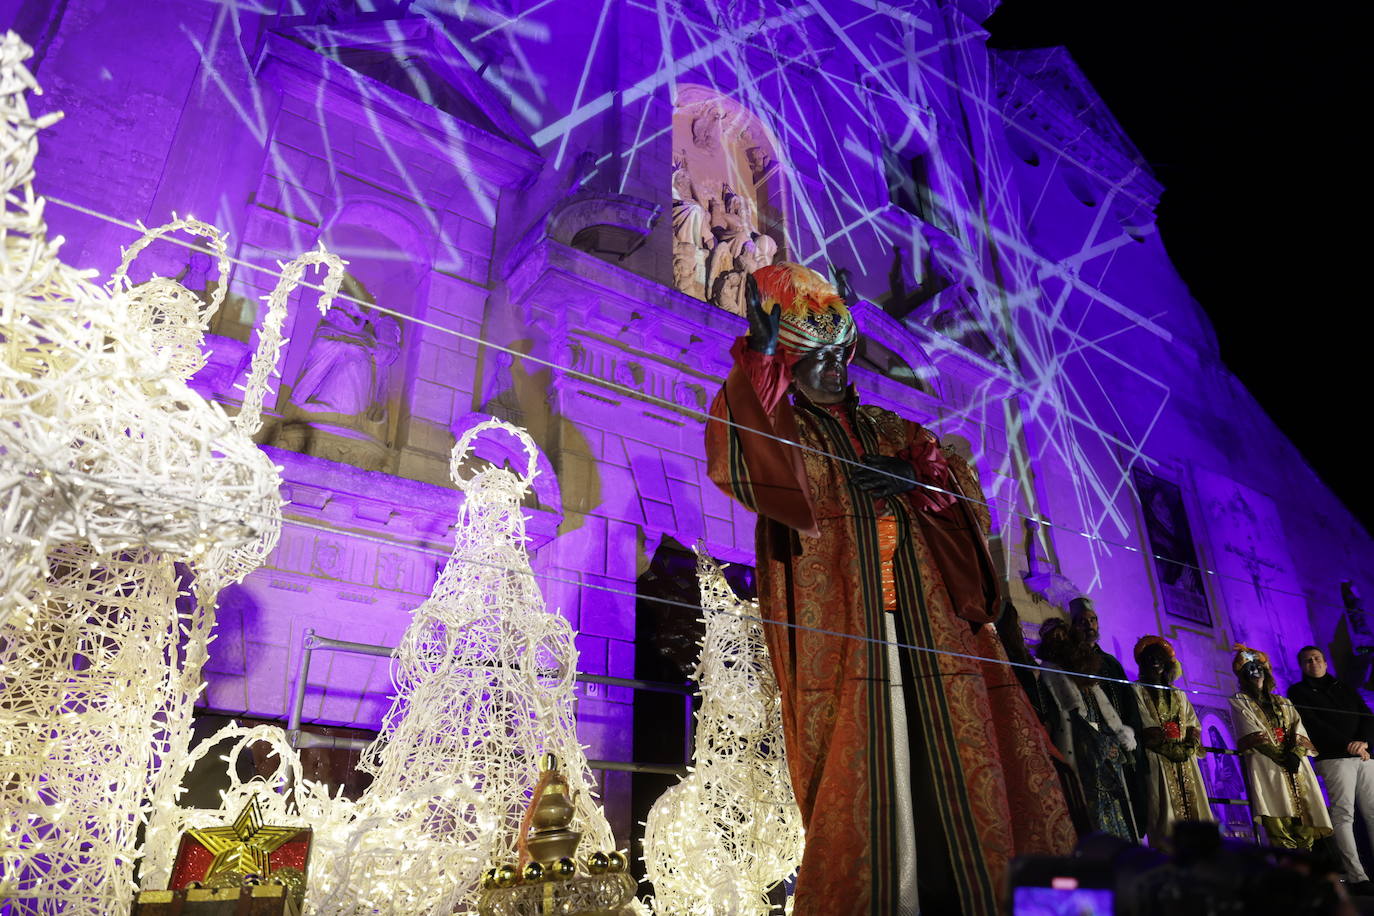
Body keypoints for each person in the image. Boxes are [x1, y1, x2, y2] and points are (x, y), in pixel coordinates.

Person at [705, 262, 1075, 915]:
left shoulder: (899, 430)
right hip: (847, 640)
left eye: (838, 355)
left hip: (931, 635)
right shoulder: (789, 431)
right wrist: (759, 354)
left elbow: (967, 505)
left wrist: (917, 478)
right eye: (811, 359)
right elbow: (747, 461)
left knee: (956, 763)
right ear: (790, 364)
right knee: (862, 770)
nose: (832, 370)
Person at [1037, 617, 1138, 841]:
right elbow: (1068, 716)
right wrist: (1104, 745)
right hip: (1082, 750)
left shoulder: (1082, 672)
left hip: (1105, 749)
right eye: (1054, 637)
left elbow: (1105, 712)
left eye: (1063, 635)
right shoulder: (1050, 672)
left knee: (1116, 812)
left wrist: (1114, 739)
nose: (1060, 641)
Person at [1287, 645, 1374, 892]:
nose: (1313, 662)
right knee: (1343, 814)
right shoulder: (1298, 692)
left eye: (1316, 658)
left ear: (1325, 663)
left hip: (1365, 756)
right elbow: (1314, 724)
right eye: (1306, 660)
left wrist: (1365, 742)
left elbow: (1367, 717)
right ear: (1302, 666)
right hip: (1334, 758)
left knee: (1373, 813)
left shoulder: (1344, 688)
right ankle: (1357, 876)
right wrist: (1348, 744)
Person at [1229, 644, 1332, 849]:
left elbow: (1298, 728)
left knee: (1304, 816)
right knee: (1277, 816)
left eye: (1258, 666)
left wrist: (1295, 753)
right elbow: (1249, 731)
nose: (1255, 672)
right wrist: (1282, 756)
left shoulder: (1283, 701)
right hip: (1267, 764)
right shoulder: (1240, 701)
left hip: (1296, 764)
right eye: (1249, 668)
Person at [1070, 596, 1148, 837]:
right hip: (1092, 748)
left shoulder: (1111, 664)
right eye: (1083, 621)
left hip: (1120, 747)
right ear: (1073, 625)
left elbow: (1128, 705)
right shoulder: (1070, 662)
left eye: (1093, 620)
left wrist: (1129, 735)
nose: (1089, 625)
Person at [1132, 635, 1215, 847]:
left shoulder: (1179, 693)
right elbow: (1144, 721)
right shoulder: (1137, 690)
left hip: (1186, 760)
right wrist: (1169, 749)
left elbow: (1194, 724)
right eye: (1149, 657)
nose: (1155, 661)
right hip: (1158, 759)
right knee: (1163, 811)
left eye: (1159, 656)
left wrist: (1188, 747)